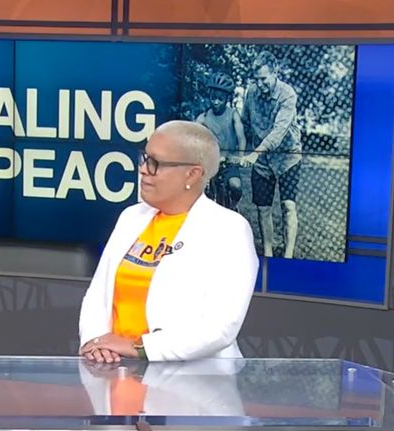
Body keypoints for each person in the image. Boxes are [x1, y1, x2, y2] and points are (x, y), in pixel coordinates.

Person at [78, 120, 259, 363]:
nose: (143, 169)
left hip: (194, 379)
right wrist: (96, 342)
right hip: (115, 368)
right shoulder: (131, 217)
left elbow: (221, 327)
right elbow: (97, 296)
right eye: (144, 158)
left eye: (156, 163)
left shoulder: (228, 229)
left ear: (192, 174)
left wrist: (139, 348)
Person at [240, 51, 303, 258]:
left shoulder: (288, 95)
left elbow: (278, 132)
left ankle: (288, 256)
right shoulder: (251, 93)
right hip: (262, 162)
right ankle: (268, 254)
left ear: (275, 72)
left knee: (288, 206)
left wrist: (254, 153)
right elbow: (245, 123)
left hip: (287, 157)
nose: (260, 84)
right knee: (262, 208)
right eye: (256, 80)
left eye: (264, 79)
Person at [195, 72, 247, 212]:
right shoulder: (204, 117)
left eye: (220, 99)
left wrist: (240, 156)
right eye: (213, 98)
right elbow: (192, 136)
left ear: (227, 99)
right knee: (202, 189)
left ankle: (233, 206)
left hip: (229, 161)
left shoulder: (233, 114)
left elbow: (241, 137)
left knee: (235, 186)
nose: (216, 102)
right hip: (211, 161)